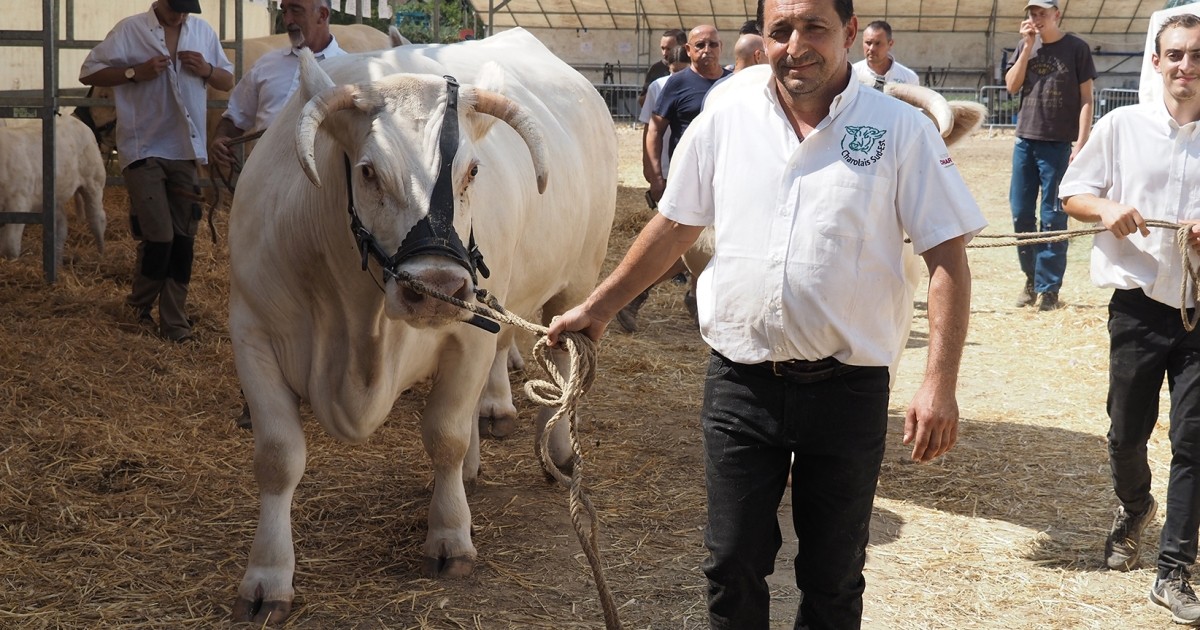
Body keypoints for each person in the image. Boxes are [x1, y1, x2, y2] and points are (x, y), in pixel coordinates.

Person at [548, 0, 985, 626]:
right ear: (762, 38)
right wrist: (596, 308)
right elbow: (674, 225)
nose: (796, 45)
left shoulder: (900, 130)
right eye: (781, 31)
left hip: (848, 390)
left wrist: (938, 382)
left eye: (815, 28)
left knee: (832, 578)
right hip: (740, 384)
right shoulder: (725, 118)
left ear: (851, 34)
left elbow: (947, 256)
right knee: (731, 566)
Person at [1060, 14, 1200, 626]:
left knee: (1194, 441)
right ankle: (1134, 505)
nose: (1185, 67)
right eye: (1175, 55)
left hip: (1199, 310)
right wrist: (1108, 207)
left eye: (1197, 56)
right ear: (1155, 61)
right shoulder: (1121, 127)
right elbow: (1072, 193)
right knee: (1125, 432)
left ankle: (1175, 569)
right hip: (1139, 305)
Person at [80, 0, 234, 343]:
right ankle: (138, 306)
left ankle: (174, 324)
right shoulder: (129, 30)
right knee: (160, 237)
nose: (181, 15)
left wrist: (207, 70)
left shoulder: (202, 32)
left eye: (186, 10)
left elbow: (227, 77)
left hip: (184, 150)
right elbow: (88, 71)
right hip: (143, 147)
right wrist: (135, 72)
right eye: (176, 8)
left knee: (184, 240)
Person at [1005, 0, 1095, 311]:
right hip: (1025, 141)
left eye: (1043, 13)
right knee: (1021, 213)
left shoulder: (1076, 48)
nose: (1037, 18)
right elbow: (1011, 87)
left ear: (1057, 14)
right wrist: (1027, 46)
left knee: (1054, 216)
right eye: (1032, 13)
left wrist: (1081, 142)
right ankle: (1030, 279)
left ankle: (1050, 289)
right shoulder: (1025, 46)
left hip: (1058, 144)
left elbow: (1086, 98)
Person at [210, 0, 345, 169]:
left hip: (320, 186)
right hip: (264, 180)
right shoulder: (266, 65)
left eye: (296, 11)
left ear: (322, 15)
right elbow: (235, 118)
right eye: (284, 11)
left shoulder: (347, 69)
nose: (287, 20)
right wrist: (221, 138)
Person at [637, 45, 690, 188]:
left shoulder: (695, 85)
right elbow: (648, 126)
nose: (679, 76)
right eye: (675, 71)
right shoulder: (657, 87)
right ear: (669, 68)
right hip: (664, 162)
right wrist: (647, 163)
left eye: (684, 70)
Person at [852, 20, 920, 87]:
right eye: (868, 43)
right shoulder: (852, 75)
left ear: (890, 44)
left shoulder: (909, 78)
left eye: (878, 43)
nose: (872, 48)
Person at [638, 29, 688, 110]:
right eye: (662, 48)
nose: (664, 53)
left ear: (684, 47)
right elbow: (642, 100)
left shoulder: (696, 67)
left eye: (669, 49)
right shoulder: (656, 69)